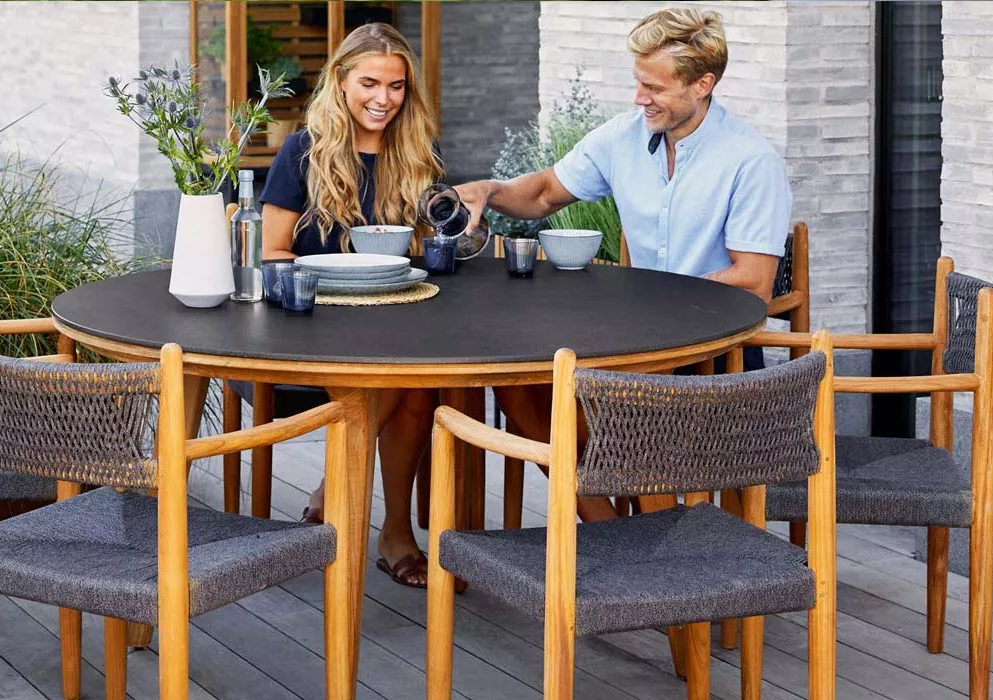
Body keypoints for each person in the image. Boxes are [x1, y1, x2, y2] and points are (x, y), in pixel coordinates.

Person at [454, 7, 792, 520]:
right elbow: (544, 193)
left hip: (712, 360)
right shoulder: (623, 137)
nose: (640, 99)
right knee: (518, 381)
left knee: (586, 405)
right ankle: (611, 529)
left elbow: (754, 281)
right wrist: (491, 191)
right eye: (638, 83)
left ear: (702, 84)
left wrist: (654, 304)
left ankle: (640, 542)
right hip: (630, 347)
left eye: (654, 88)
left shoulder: (751, 161)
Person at [258, 22, 442, 587]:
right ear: (340, 81)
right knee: (406, 378)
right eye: (369, 83)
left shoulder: (418, 154)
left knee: (418, 383)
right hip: (315, 326)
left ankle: (376, 519)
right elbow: (272, 252)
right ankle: (389, 529)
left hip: (398, 321)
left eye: (396, 87)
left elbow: (434, 246)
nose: (383, 99)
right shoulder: (302, 152)